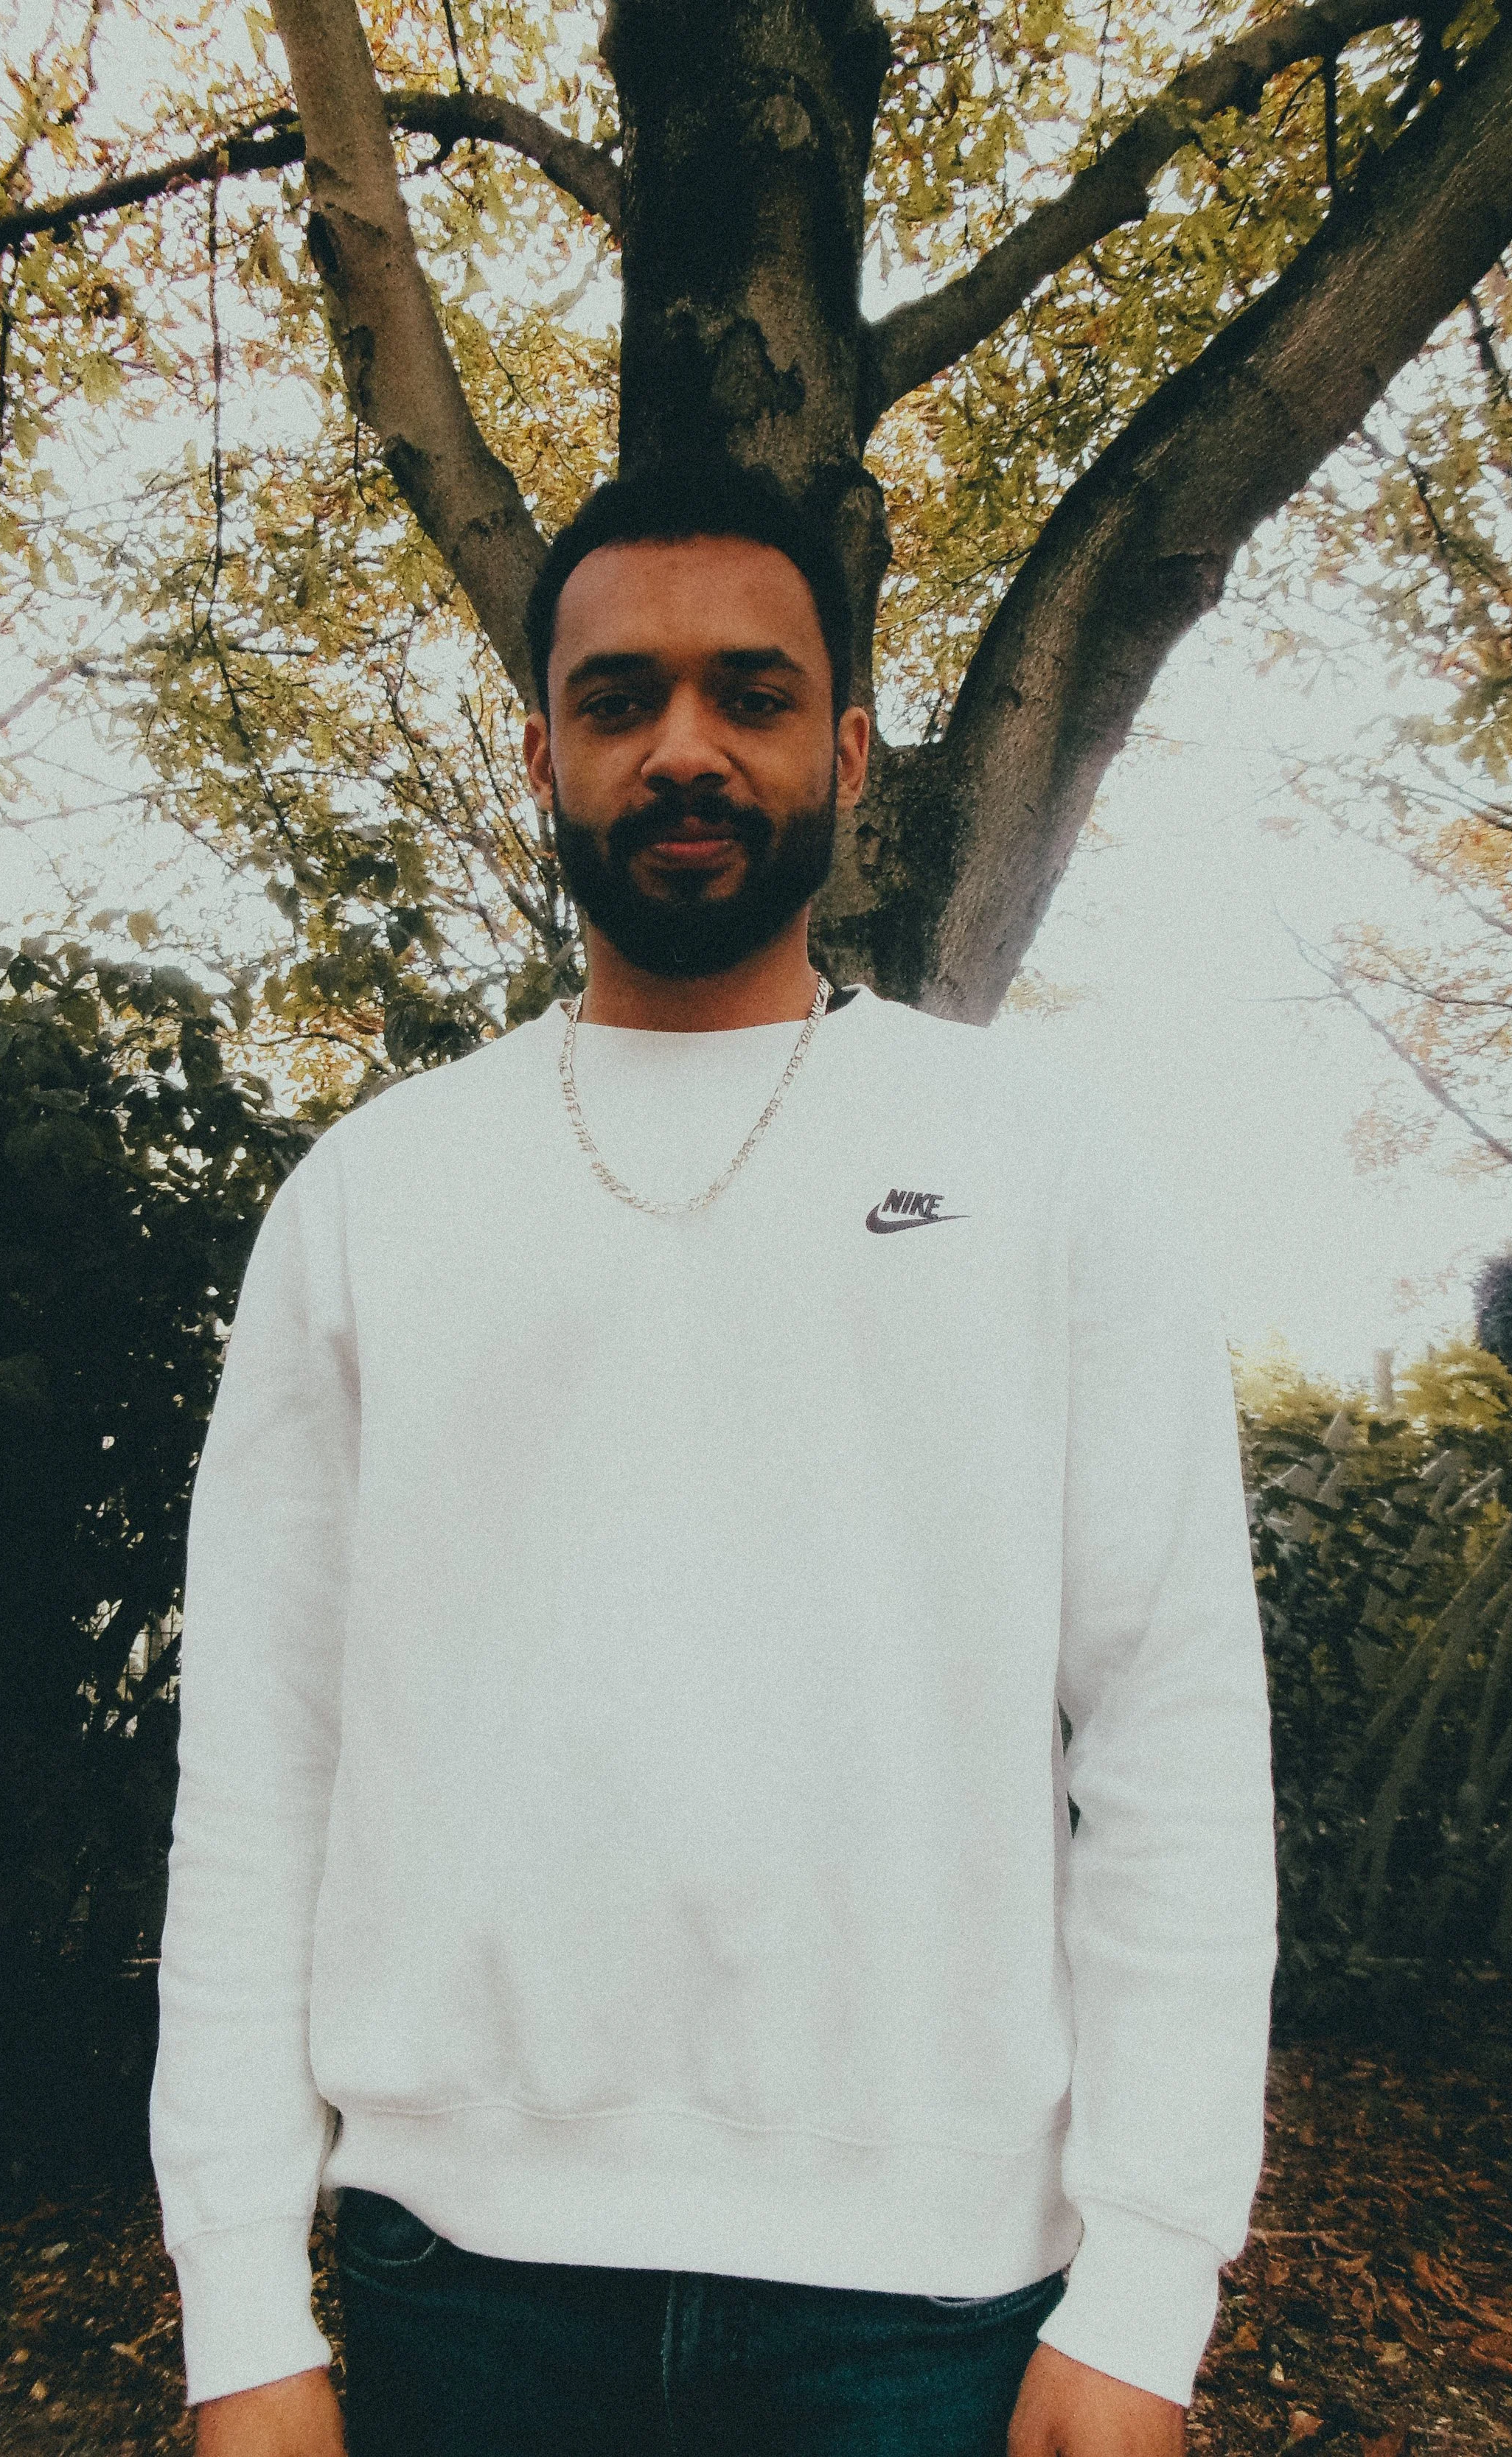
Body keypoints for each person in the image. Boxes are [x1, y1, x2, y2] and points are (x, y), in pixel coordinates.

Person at [150, 461, 1279, 2457]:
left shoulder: (1040, 1168)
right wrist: (242, 2307)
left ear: (844, 747)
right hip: (461, 2291)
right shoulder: (373, 1198)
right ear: (541, 752)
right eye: (619, 698)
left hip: (928, 2303)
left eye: (750, 693)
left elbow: (1172, 1752)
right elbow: (260, 1778)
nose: (683, 745)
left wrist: (1148, 2279)